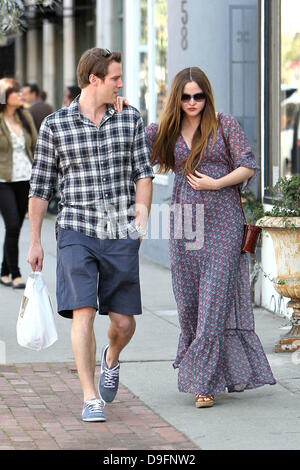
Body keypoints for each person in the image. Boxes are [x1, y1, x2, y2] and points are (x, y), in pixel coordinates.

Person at [27, 48, 154, 422]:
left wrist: (140, 226)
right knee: (83, 311)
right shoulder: (55, 126)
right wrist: (35, 240)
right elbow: (40, 188)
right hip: (75, 230)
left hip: (119, 231)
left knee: (124, 322)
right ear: (94, 80)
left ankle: (111, 358)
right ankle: (90, 396)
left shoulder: (129, 118)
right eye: (115, 78)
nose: (121, 83)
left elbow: (143, 174)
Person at [145, 67, 276, 408]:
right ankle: (204, 368)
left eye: (198, 96)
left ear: (207, 96)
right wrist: (121, 111)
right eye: (186, 96)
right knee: (188, 304)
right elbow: (131, 147)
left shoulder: (223, 123)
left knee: (213, 305)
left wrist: (216, 183)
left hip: (223, 223)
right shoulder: (164, 130)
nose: (192, 102)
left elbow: (248, 165)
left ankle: (204, 382)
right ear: (177, 97)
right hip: (185, 223)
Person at [0, 78, 37, 289]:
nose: (21, 96)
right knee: (13, 224)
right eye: (16, 93)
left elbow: (35, 143)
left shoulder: (25, 117)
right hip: (3, 179)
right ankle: (15, 274)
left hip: (26, 178)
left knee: (16, 227)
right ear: (6, 97)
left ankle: (4, 270)